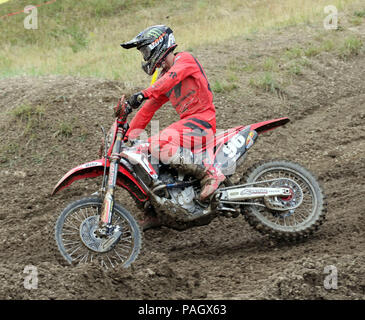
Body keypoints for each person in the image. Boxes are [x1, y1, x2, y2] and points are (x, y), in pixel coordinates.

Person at [120, 25, 225, 229]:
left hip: (202, 121)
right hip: (189, 124)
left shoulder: (184, 60)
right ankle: (156, 209)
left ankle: (209, 174)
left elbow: (171, 79)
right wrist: (127, 136)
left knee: (158, 143)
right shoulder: (163, 77)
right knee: (142, 153)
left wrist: (143, 93)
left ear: (158, 45)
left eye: (145, 51)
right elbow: (147, 110)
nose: (144, 56)